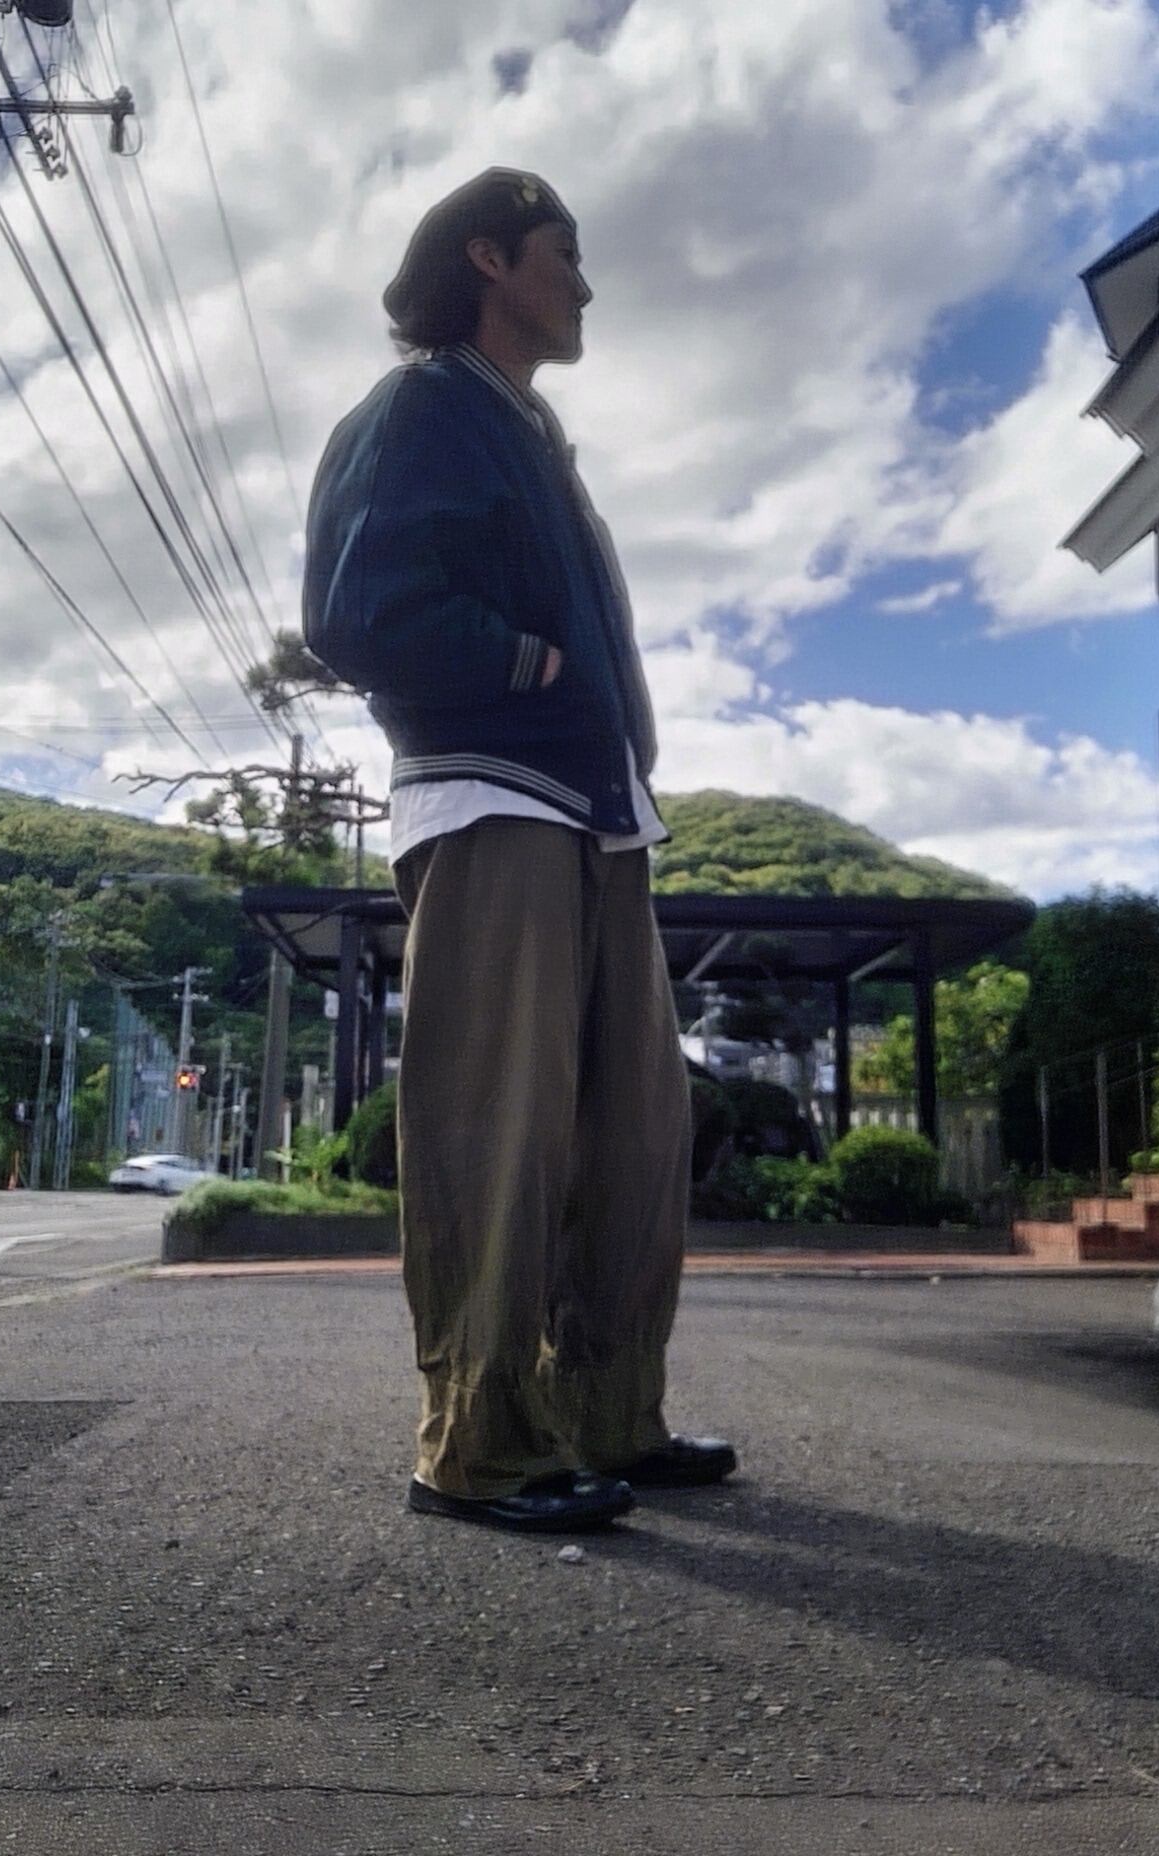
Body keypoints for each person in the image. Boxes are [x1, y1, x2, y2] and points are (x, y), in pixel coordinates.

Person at [302, 168, 736, 1533]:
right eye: (566, 252)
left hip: (595, 812)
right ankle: (479, 1443)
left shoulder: (531, 431)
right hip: (492, 796)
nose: (587, 282)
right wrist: (522, 664)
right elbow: (355, 609)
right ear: (488, 258)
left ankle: (603, 1414)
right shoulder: (426, 405)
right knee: (500, 1128)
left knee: (635, 1133)